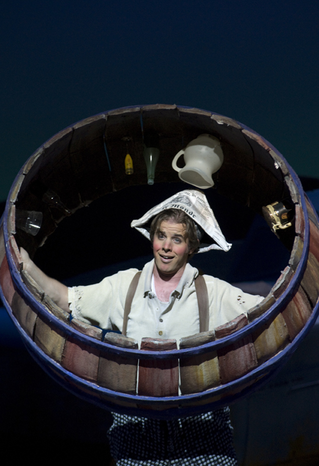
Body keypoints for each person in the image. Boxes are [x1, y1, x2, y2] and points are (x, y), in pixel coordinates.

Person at [21, 189, 264, 465]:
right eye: (161, 236)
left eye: (177, 239)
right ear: (152, 238)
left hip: (201, 433)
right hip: (137, 434)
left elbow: (267, 310)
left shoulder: (213, 291)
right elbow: (65, 298)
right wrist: (25, 265)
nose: (166, 247)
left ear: (192, 247)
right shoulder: (125, 286)